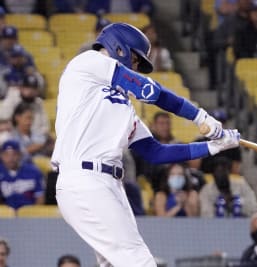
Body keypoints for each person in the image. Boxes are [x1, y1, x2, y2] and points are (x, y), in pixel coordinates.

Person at [51, 22, 240, 267]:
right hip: (84, 179)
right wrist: (200, 116)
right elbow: (151, 91)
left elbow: (155, 151)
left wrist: (213, 147)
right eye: (136, 59)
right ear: (119, 47)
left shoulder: (123, 106)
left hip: (108, 184)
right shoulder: (86, 63)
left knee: (115, 263)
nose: (137, 67)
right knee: (139, 261)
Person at [0, 140, 44, 209]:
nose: (10, 158)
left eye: (14, 154)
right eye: (6, 154)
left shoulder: (33, 171)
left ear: (20, 155)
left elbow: (40, 198)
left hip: (30, 214)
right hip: (6, 216)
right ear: (1, 155)